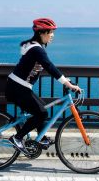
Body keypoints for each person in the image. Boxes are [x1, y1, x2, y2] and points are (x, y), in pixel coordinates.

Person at [6, 17, 81, 154]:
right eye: (50, 32)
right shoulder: (36, 50)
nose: (52, 36)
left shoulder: (36, 48)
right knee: (42, 113)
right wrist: (66, 83)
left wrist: (65, 80)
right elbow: (49, 66)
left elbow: (45, 68)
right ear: (42, 33)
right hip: (17, 88)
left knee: (42, 108)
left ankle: (40, 138)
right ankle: (17, 138)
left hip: (19, 87)